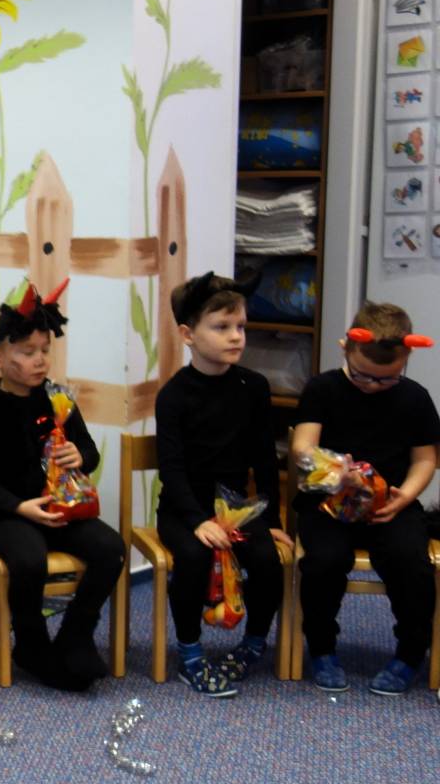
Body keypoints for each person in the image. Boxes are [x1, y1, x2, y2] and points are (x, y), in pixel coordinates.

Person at [0, 279, 126, 691]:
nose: (39, 360)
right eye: (27, 352)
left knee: (110, 548)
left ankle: (75, 634)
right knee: (29, 559)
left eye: (45, 350)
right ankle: (31, 644)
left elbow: (89, 450)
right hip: (4, 514)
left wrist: (80, 456)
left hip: (59, 508)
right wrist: (20, 507)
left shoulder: (58, 399)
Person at [290, 300, 440, 694]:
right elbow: (302, 446)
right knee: (324, 561)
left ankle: (410, 653)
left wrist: (405, 496)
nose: (372, 385)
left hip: (390, 507)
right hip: (327, 503)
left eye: (386, 380)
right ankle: (322, 648)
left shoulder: (415, 398)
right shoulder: (322, 389)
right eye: (362, 375)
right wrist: (333, 468)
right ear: (345, 347)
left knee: (411, 564)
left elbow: (425, 459)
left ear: (406, 359)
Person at [155, 273, 287, 696]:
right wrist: (197, 520)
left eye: (241, 327)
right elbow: (171, 469)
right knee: (194, 556)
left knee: (267, 559)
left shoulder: (254, 387)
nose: (235, 336)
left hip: (236, 509)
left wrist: (273, 520)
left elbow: (265, 460)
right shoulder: (173, 396)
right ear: (187, 335)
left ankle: (253, 644)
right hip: (183, 509)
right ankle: (190, 654)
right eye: (222, 327)